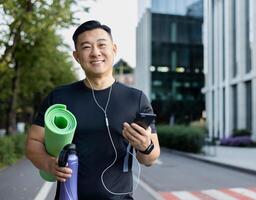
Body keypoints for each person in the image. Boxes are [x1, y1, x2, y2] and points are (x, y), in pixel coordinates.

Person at [25, 20, 160, 199]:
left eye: (102, 45)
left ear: (114, 48)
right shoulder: (59, 97)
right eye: (86, 47)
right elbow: (33, 142)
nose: (96, 52)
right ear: (77, 56)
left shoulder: (136, 99)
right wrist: (49, 165)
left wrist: (145, 147)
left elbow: (151, 158)